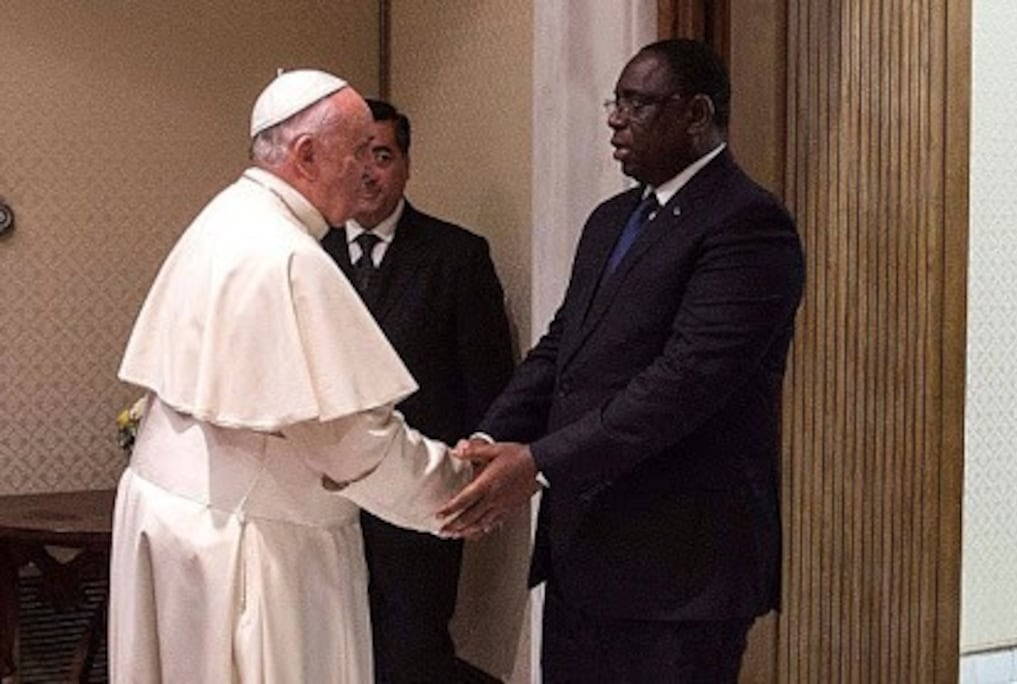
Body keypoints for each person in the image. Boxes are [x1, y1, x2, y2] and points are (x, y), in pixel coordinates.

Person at [438, 39, 805, 681]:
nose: (614, 119)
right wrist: (488, 438)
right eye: (617, 101)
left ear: (696, 115)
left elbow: (682, 385)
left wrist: (539, 464)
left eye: (636, 103)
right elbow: (563, 350)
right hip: (587, 556)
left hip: (680, 573)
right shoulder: (611, 220)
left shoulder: (748, 224)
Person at [108, 70, 471, 683]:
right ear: (306, 155)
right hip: (255, 545)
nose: (366, 170)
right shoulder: (289, 257)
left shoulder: (225, 217)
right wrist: (459, 492)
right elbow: (352, 444)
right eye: (359, 151)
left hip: (181, 521)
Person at [320, 98, 515, 683]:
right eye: (356, 157)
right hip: (324, 503)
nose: (368, 172)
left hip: (416, 499)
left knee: (413, 654)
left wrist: (474, 484)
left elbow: (488, 382)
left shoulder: (457, 256)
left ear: (406, 164)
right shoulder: (306, 254)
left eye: (382, 155)